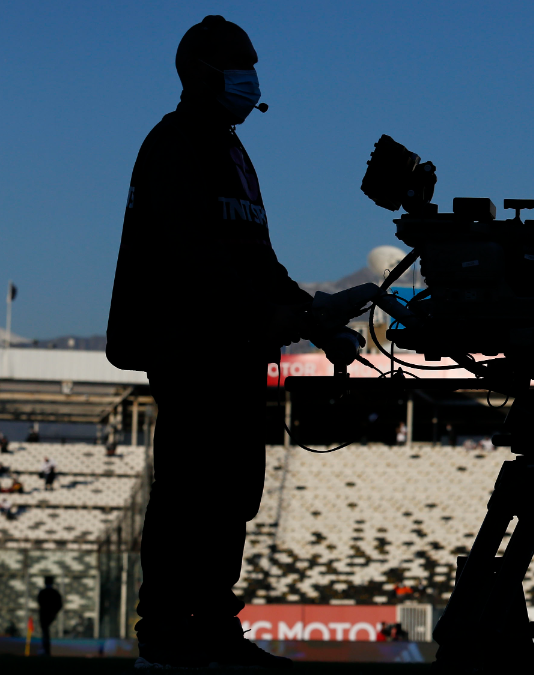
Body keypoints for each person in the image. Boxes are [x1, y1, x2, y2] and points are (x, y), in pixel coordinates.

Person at [105, 16, 331, 669]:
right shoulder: (174, 144)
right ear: (199, 71)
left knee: (230, 491)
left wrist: (311, 314)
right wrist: (268, 313)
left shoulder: (233, 152)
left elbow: (257, 257)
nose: (251, 77)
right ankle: (168, 633)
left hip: (235, 352)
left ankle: (211, 627)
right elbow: (195, 259)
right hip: (192, 349)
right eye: (240, 63)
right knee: (190, 490)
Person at [37, 576, 62, 657]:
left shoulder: (43, 592)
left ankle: (46, 650)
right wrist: (54, 612)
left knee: (45, 632)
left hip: (45, 615)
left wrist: (53, 612)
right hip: (48, 615)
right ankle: (46, 649)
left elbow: (40, 603)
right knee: (45, 632)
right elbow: (59, 604)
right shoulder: (54, 593)